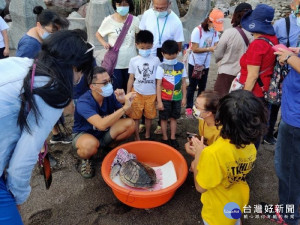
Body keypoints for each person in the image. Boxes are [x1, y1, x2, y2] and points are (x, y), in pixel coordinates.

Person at [0, 30, 94, 224]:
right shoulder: (51, 90)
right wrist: (18, 197)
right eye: (81, 72)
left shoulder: (19, 64)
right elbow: (23, 159)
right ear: (74, 68)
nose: (79, 79)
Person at [190, 90, 268, 225]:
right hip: (238, 200)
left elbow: (201, 187)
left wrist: (198, 156)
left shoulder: (213, 153)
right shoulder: (250, 146)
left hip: (216, 213)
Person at [16, 5, 70, 145]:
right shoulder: (29, 46)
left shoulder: (41, 39)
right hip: (35, 90)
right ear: (39, 25)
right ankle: (41, 154)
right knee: (38, 121)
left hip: (45, 84)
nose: (54, 35)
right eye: (52, 31)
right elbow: (21, 73)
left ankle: (56, 135)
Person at [72, 66, 136, 179]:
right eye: (105, 82)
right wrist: (124, 108)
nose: (109, 85)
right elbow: (101, 125)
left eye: (110, 80)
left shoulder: (109, 95)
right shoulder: (83, 102)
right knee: (89, 146)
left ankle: (108, 148)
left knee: (130, 124)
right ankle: (86, 159)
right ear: (92, 86)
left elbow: (130, 114)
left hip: (104, 133)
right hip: (85, 134)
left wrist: (123, 101)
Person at [139, 0, 184, 134]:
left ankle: (161, 122)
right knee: (146, 88)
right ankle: (143, 121)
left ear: (169, 4)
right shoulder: (147, 14)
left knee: (163, 89)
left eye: (162, 8)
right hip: (148, 58)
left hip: (165, 61)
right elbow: (142, 36)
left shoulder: (175, 21)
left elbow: (179, 45)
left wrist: (168, 55)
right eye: (156, 7)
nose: (158, 10)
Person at [264, 0, 300, 145]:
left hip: (296, 75)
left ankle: (280, 131)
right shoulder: (280, 24)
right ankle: (267, 132)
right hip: (282, 72)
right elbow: (271, 46)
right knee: (274, 104)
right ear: (292, 5)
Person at [273, 47, 300, 225]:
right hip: (293, 115)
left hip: (295, 121)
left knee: (288, 169)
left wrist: (290, 57)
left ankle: (288, 214)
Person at [96, 0, 139, 91]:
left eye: (125, 4)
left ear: (129, 4)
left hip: (131, 63)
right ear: (115, 5)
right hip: (116, 64)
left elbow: (141, 35)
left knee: (130, 90)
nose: (122, 6)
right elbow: (98, 34)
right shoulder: (108, 20)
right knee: (117, 90)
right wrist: (104, 43)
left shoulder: (135, 20)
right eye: (119, 4)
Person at [185, 9, 223, 114]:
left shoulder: (214, 32)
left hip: (205, 63)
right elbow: (195, 49)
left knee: (202, 86)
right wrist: (209, 49)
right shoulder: (197, 31)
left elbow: (216, 44)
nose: (216, 28)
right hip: (195, 63)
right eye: (215, 25)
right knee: (192, 86)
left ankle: (198, 106)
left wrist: (215, 47)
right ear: (209, 21)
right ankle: (189, 107)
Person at [126, 30, 161, 140]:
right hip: (136, 93)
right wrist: (128, 94)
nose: (145, 50)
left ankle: (147, 135)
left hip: (151, 93)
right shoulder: (133, 60)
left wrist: (158, 96)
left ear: (152, 45)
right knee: (136, 117)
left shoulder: (156, 60)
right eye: (142, 48)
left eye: (148, 48)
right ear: (136, 45)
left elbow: (158, 79)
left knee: (149, 116)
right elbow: (131, 78)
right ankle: (137, 137)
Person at [214, 3, 253, 97]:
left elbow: (218, 54)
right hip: (243, 76)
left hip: (226, 74)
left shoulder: (229, 33)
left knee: (220, 103)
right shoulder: (253, 36)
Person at [239, 4, 278, 99]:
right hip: (265, 88)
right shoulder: (273, 39)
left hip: (253, 93)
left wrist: (243, 99)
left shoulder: (257, 44)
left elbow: (252, 76)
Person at [156, 40, 187, 148]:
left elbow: (183, 82)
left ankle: (173, 137)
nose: (170, 60)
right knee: (163, 118)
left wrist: (184, 98)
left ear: (177, 53)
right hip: (165, 98)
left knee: (174, 118)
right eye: (168, 58)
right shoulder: (161, 67)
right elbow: (158, 85)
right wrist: (159, 101)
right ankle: (165, 137)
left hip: (177, 98)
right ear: (163, 54)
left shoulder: (181, 66)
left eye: (173, 57)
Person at [185, 90, 220, 157]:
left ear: (208, 113)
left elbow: (217, 156)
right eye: (195, 104)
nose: (194, 108)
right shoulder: (202, 120)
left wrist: (195, 153)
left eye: (197, 107)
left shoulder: (220, 132)